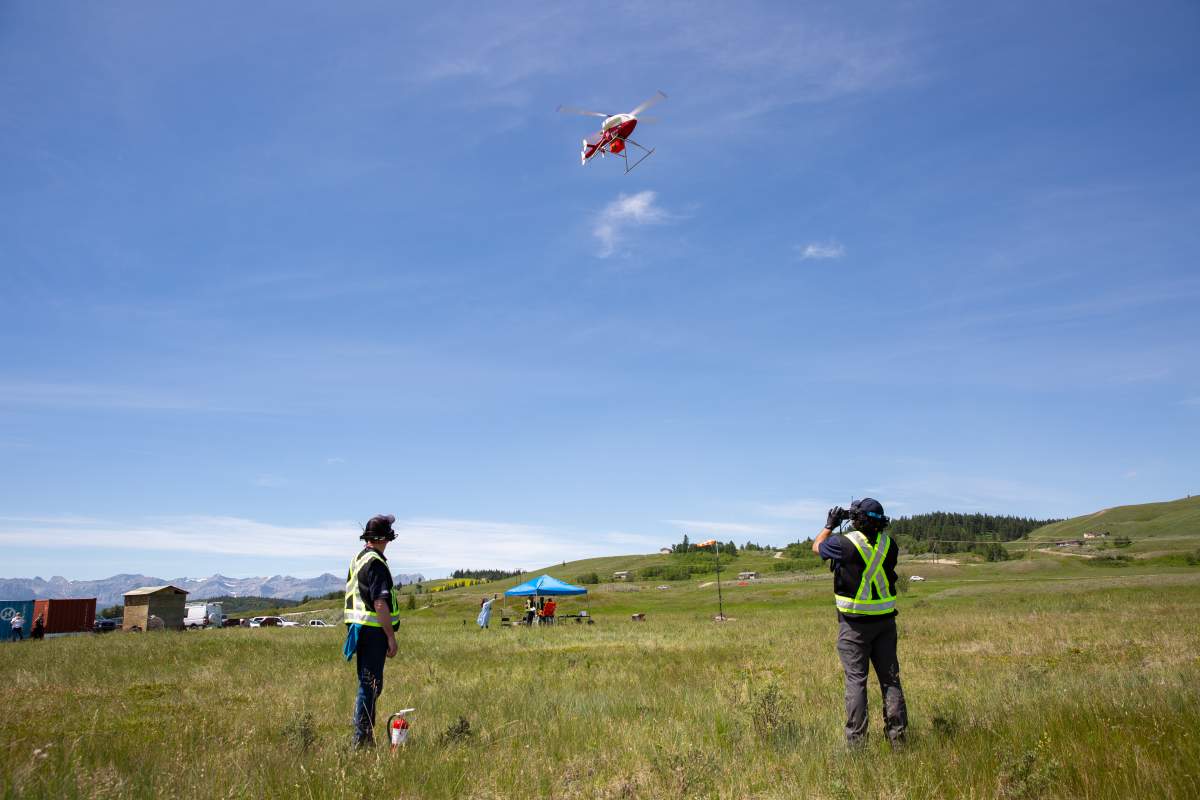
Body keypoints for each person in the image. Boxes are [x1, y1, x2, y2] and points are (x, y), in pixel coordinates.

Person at [812, 497, 908, 748]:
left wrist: (830, 525)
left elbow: (817, 547)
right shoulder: (890, 545)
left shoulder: (843, 543)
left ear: (856, 519)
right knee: (890, 680)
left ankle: (857, 744)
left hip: (854, 625)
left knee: (856, 681)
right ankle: (898, 739)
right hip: (885, 622)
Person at [343, 514, 401, 748]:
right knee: (370, 685)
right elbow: (379, 603)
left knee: (368, 684)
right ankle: (362, 740)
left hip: (360, 630)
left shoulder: (359, 558)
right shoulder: (376, 562)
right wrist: (390, 637)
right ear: (385, 537)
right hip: (373, 631)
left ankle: (364, 736)